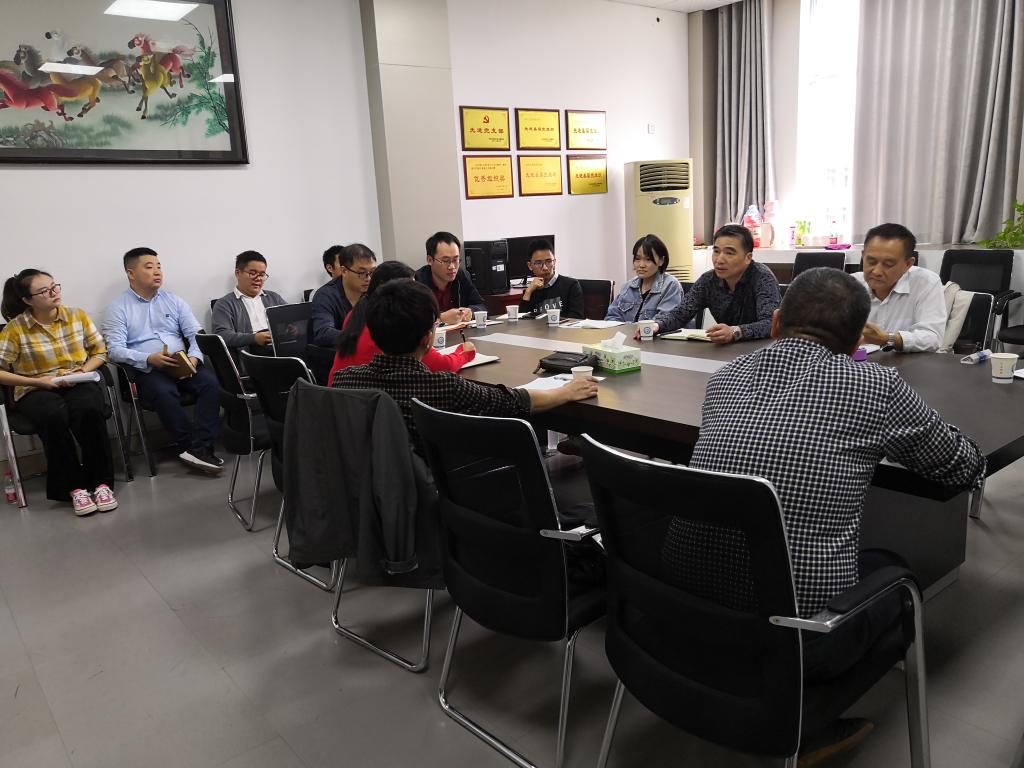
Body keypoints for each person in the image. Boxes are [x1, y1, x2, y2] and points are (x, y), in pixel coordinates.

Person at [662, 267, 985, 763]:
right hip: (796, 637)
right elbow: (963, 466)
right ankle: (804, 724)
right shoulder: (875, 386)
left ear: (775, 323)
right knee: (896, 577)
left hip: (681, 611)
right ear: (857, 341)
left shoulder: (725, 378)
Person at [332, 280, 597, 451]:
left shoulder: (345, 380)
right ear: (428, 338)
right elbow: (513, 401)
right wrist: (566, 391)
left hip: (364, 491)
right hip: (436, 489)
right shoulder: (441, 387)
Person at [0, 270, 118, 515]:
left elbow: (100, 352)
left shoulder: (77, 316)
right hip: (35, 387)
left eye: (55, 286)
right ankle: (74, 488)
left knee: (89, 408)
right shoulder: (15, 329)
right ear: (27, 300)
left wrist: (83, 370)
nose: (54, 293)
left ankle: (101, 483)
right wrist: (38, 382)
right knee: (53, 414)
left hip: (77, 380)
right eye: (44, 291)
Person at [102, 247, 222, 475]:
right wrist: (148, 358)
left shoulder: (174, 301)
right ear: (131, 273)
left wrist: (194, 358)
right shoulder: (118, 309)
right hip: (148, 369)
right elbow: (115, 351)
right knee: (165, 392)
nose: (157, 272)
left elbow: (196, 334)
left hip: (182, 362)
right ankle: (193, 448)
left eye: (159, 266)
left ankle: (201, 448)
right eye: (149, 267)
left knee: (210, 383)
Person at [328, 260, 475, 383]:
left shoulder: (357, 313)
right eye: (409, 289)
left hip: (342, 398)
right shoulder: (389, 324)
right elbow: (442, 366)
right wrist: (464, 352)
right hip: (367, 400)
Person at [641, 224, 780, 343]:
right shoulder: (708, 280)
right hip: (726, 350)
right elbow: (680, 313)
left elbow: (770, 323)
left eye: (729, 253)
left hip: (762, 351)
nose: (719, 259)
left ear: (748, 257)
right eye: (716, 251)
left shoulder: (762, 277)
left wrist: (735, 331)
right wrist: (657, 325)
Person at [853, 223, 946, 352]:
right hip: (858, 362)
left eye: (888, 264)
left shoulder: (926, 283)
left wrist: (888, 339)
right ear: (863, 256)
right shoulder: (850, 284)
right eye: (871, 261)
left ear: (908, 264)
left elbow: (932, 338)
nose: (877, 271)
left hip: (907, 362)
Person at [212, 251, 287, 364]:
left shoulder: (274, 297)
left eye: (262, 274)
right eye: (253, 273)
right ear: (238, 273)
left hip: (280, 350)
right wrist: (254, 338)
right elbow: (222, 335)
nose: (258, 278)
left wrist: (293, 328)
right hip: (252, 357)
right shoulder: (224, 304)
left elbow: (291, 320)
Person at [310, 243, 377, 347]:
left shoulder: (375, 290)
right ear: (344, 271)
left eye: (372, 272)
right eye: (362, 273)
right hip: (340, 352)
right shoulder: (325, 295)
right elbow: (323, 332)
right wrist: (363, 338)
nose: (368, 278)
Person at [605, 234, 683, 322]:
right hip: (627, 331)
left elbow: (664, 321)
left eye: (648, 259)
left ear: (661, 261)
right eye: (637, 259)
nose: (641, 265)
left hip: (653, 332)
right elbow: (611, 316)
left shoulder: (670, 285)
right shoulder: (628, 287)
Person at [414, 231, 486, 325]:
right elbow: (412, 320)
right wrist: (440, 318)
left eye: (455, 260)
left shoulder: (461, 275)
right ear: (430, 260)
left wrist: (470, 312)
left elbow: (481, 306)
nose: (452, 267)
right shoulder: (417, 282)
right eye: (445, 261)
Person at [517, 239, 584, 319]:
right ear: (530, 266)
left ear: (554, 262)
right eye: (538, 263)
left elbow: (576, 317)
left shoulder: (571, 285)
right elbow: (522, 321)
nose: (545, 268)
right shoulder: (531, 290)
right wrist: (528, 292)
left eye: (548, 261)